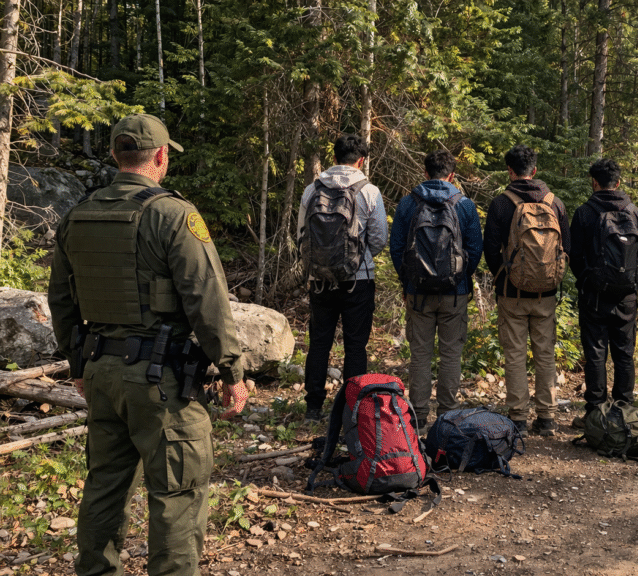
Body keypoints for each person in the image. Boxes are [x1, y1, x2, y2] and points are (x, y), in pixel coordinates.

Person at [47, 113, 248, 576]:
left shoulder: (78, 214)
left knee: (104, 488)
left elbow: (61, 299)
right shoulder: (173, 215)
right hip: (162, 383)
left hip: (100, 373)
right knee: (177, 493)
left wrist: (78, 364)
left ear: (116, 156)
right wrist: (233, 371)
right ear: (161, 157)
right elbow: (207, 299)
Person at [389, 149, 483, 430]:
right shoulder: (464, 205)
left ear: (425, 172)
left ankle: (417, 415)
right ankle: (447, 416)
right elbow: (475, 248)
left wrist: (406, 282)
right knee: (451, 353)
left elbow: (396, 248)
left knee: (420, 353)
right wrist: (461, 277)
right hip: (454, 292)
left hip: (418, 292)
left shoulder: (408, 203)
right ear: (452, 175)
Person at [298, 134, 388, 423]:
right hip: (357, 280)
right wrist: (358, 259)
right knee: (355, 345)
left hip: (320, 280)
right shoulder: (369, 191)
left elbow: (302, 235)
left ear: (334, 158)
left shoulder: (311, 190)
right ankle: (353, 409)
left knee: (319, 343)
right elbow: (379, 238)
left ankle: (313, 407)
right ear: (361, 161)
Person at [483, 144, 570, 437]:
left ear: (510, 170)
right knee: (545, 354)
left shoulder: (502, 203)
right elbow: (565, 247)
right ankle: (547, 417)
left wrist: (502, 276)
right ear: (535, 170)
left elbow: (490, 249)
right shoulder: (555, 203)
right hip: (546, 293)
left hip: (512, 292)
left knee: (515, 354)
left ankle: (518, 417)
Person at [568, 158, 638, 426]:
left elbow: (574, 255)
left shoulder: (585, 213)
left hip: (594, 295)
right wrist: (630, 282)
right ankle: (624, 409)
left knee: (595, 353)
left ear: (594, 182)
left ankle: (595, 412)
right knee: (624, 352)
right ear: (618, 182)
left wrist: (587, 280)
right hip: (626, 295)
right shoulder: (635, 212)